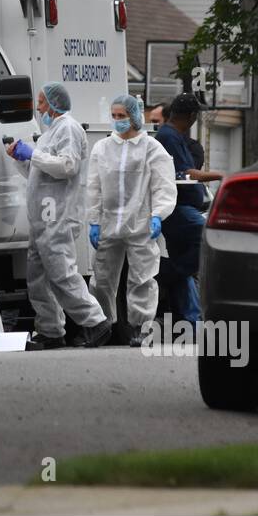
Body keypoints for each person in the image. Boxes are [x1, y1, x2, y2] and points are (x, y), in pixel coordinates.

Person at [6, 82, 111, 349]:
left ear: (53, 104)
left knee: (62, 273)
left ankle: (96, 322)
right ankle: (51, 331)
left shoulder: (68, 128)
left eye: (41, 102)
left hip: (58, 214)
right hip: (43, 217)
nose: (38, 107)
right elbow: (38, 173)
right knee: (37, 278)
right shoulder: (49, 132)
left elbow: (67, 166)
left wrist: (34, 153)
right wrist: (21, 158)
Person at [86, 95, 177, 344]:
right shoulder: (102, 148)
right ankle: (103, 325)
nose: (117, 121)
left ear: (135, 117)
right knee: (102, 278)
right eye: (114, 116)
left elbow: (164, 186)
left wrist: (158, 214)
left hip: (141, 223)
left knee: (142, 278)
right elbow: (93, 187)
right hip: (108, 224)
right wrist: (94, 220)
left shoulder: (152, 148)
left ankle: (140, 328)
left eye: (122, 116)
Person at [153, 93, 211, 324]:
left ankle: (190, 319)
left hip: (186, 206)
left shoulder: (176, 136)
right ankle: (165, 275)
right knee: (208, 235)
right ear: (191, 116)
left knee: (183, 264)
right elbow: (184, 173)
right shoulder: (169, 137)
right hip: (177, 207)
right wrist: (223, 175)